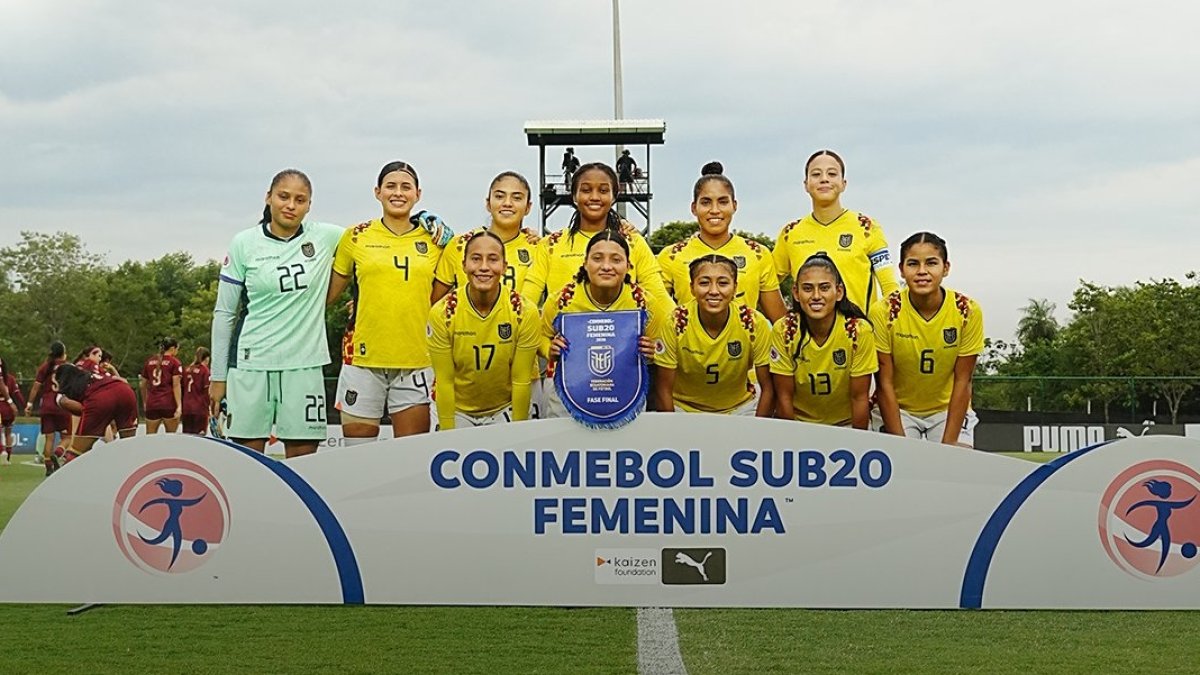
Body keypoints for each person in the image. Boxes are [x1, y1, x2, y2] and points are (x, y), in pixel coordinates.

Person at [210, 169, 343, 458]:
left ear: (309, 205)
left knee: (305, 465)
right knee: (247, 463)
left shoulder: (326, 236)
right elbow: (224, 314)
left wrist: (422, 221)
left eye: (300, 199)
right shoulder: (244, 243)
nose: (291, 205)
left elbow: (372, 240)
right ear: (268, 197)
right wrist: (217, 377)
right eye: (283, 196)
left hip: (305, 365)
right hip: (251, 364)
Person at [327, 161, 446, 443]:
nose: (398, 193)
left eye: (406, 187)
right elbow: (327, 297)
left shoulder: (436, 239)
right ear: (377, 192)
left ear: (418, 194)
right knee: (357, 454)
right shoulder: (356, 235)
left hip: (416, 359)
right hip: (362, 359)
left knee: (410, 456)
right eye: (390, 186)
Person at [872, 232, 983, 447]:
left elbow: (963, 380)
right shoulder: (884, 311)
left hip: (946, 408)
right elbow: (883, 382)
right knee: (900, 468)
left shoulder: (967, 311)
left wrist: (949, 445)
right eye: (913, 264)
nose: (922, 272)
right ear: (902, 270)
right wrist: (901, 445)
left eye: (931, 263)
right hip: (899, 409)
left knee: (954, 468)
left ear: (946, 268)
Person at [540, 230, 666, 419]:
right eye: (597, 258)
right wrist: (550, 349)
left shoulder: (645, 303)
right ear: (585, 263)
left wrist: (652, 351)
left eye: (616, 260)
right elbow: (541, 337)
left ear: (629, 266)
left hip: (626, 396)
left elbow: (662, 347)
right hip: (568, 396)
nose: (606, 266)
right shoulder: (561, 301)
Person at [428, 232, 540, 430]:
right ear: (463, 265)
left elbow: (521, 379)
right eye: (476, 259)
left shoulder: (524, 311)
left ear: (505, 267)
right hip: (457, 409)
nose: (484, 267)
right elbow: (444, 381)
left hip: (504, 408)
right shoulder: (442, 313)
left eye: (493, 259)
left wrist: (519, 430)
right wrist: (447, 433)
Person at [522, 162, 668, 309]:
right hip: (565, 330)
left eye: (603, 191)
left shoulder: (633, 242)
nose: (594, 197)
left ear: (613, 197)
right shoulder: (550, 245)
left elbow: (659, 298)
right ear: (574, 195)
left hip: (624, 330)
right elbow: (527, 303)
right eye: (586, 190)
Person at [658, 162, 787, 322]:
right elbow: (657, 316)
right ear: (694, 208)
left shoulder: (758, 254)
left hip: (747, 346)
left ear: (734, 205)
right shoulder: (671, 256)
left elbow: (781, 323)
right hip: (688, 347)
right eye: (706, 202)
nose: (715, 210)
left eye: (723, 202)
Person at [774, 150, 899, 314]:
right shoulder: (790, 233)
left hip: (859, 335)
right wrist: (785, 321)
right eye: (816, 174)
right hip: (807, 337)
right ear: (806, 184)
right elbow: (766, 283)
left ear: (843, 184)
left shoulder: (867, 227)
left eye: (832, 174)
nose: (824, 179)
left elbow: (889, 286)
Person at [654, 255, 774, 416]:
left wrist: (758, 429)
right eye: (704, 283)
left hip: (740, 408)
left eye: (723, 283)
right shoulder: (675, 322)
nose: (714, 291)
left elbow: (768, 387)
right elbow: (663, 388)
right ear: (691, 287)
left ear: (735, 287)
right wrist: (673, 429)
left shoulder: (753, 323)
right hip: (684, 408)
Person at [770, 254, 878, 428]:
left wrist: (858, 442)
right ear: (796, 293)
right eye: (807, 288)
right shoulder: (784, 330)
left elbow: (859, 397)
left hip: (846, 424)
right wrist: (792, 438)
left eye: (825, 288)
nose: (816, 296)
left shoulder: (858, 331)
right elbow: (784, 397)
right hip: (800, 424)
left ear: (839, 292)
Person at [52, 362, 137, 461]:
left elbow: (76, 407)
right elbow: (122, 381)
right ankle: (131, 472)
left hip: (100, 400)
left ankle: (66, 474)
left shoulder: (70, 389)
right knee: (129, 445)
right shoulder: (92, 374)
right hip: (125, 391)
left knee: (77, 450)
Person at [25, 341, 70, 475]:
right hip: (62, 403)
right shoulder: (67, 367)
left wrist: (29, 404)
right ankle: (58, 453)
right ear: (63, 353)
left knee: (49, 438)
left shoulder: (45, 366)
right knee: (67, 436)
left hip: (47, 404)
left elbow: (36, 387)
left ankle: (48, 466)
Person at [140, 337, 183, 434]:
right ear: (172, 349)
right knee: (170, 437)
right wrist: (179, 406)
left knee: (150, 438)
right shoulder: (175, 362)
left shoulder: (149, 361)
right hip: (168, 403)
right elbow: (176, 385)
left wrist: (145, 402)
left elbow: (143, 384)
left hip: (152, 403)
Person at [0, 355, 26, 465]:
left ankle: (2, 453)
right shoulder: (10, 379)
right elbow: (17, 394)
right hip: (9, 408)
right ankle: (8, 456)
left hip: (2, 406)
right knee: (8, 432)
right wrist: (24, 406)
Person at [181, 347, 211, 435]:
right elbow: (207, 391)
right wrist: (209, 407)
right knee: (200, 437)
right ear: (207, 358)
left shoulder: (186, 369)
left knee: (187, 436)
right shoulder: (205, 370)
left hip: (186, 408)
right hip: (199, 408)